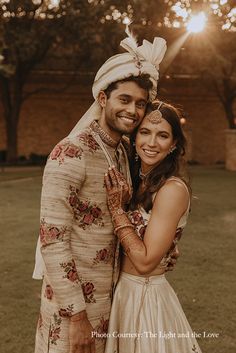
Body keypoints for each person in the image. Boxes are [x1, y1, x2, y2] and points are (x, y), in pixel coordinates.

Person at [33, 30, 179, 353]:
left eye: (140, 103)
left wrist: (164, 246)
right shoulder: (71, 153)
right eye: (124, 100)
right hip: (72, 312)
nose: (133, 110)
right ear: (103, 99)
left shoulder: (123, 152)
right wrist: (77, 315)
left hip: (111, 303)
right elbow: (52, 240)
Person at [104, 101, 202, 353]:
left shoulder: (171, 189)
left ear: (174, 145)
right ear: (134, 136)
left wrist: (117, 211)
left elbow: (146, 262)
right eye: (145, 132)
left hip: (145, 298)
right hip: (124, 292)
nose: (151, 142)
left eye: (163, 135)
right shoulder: (137, 181)